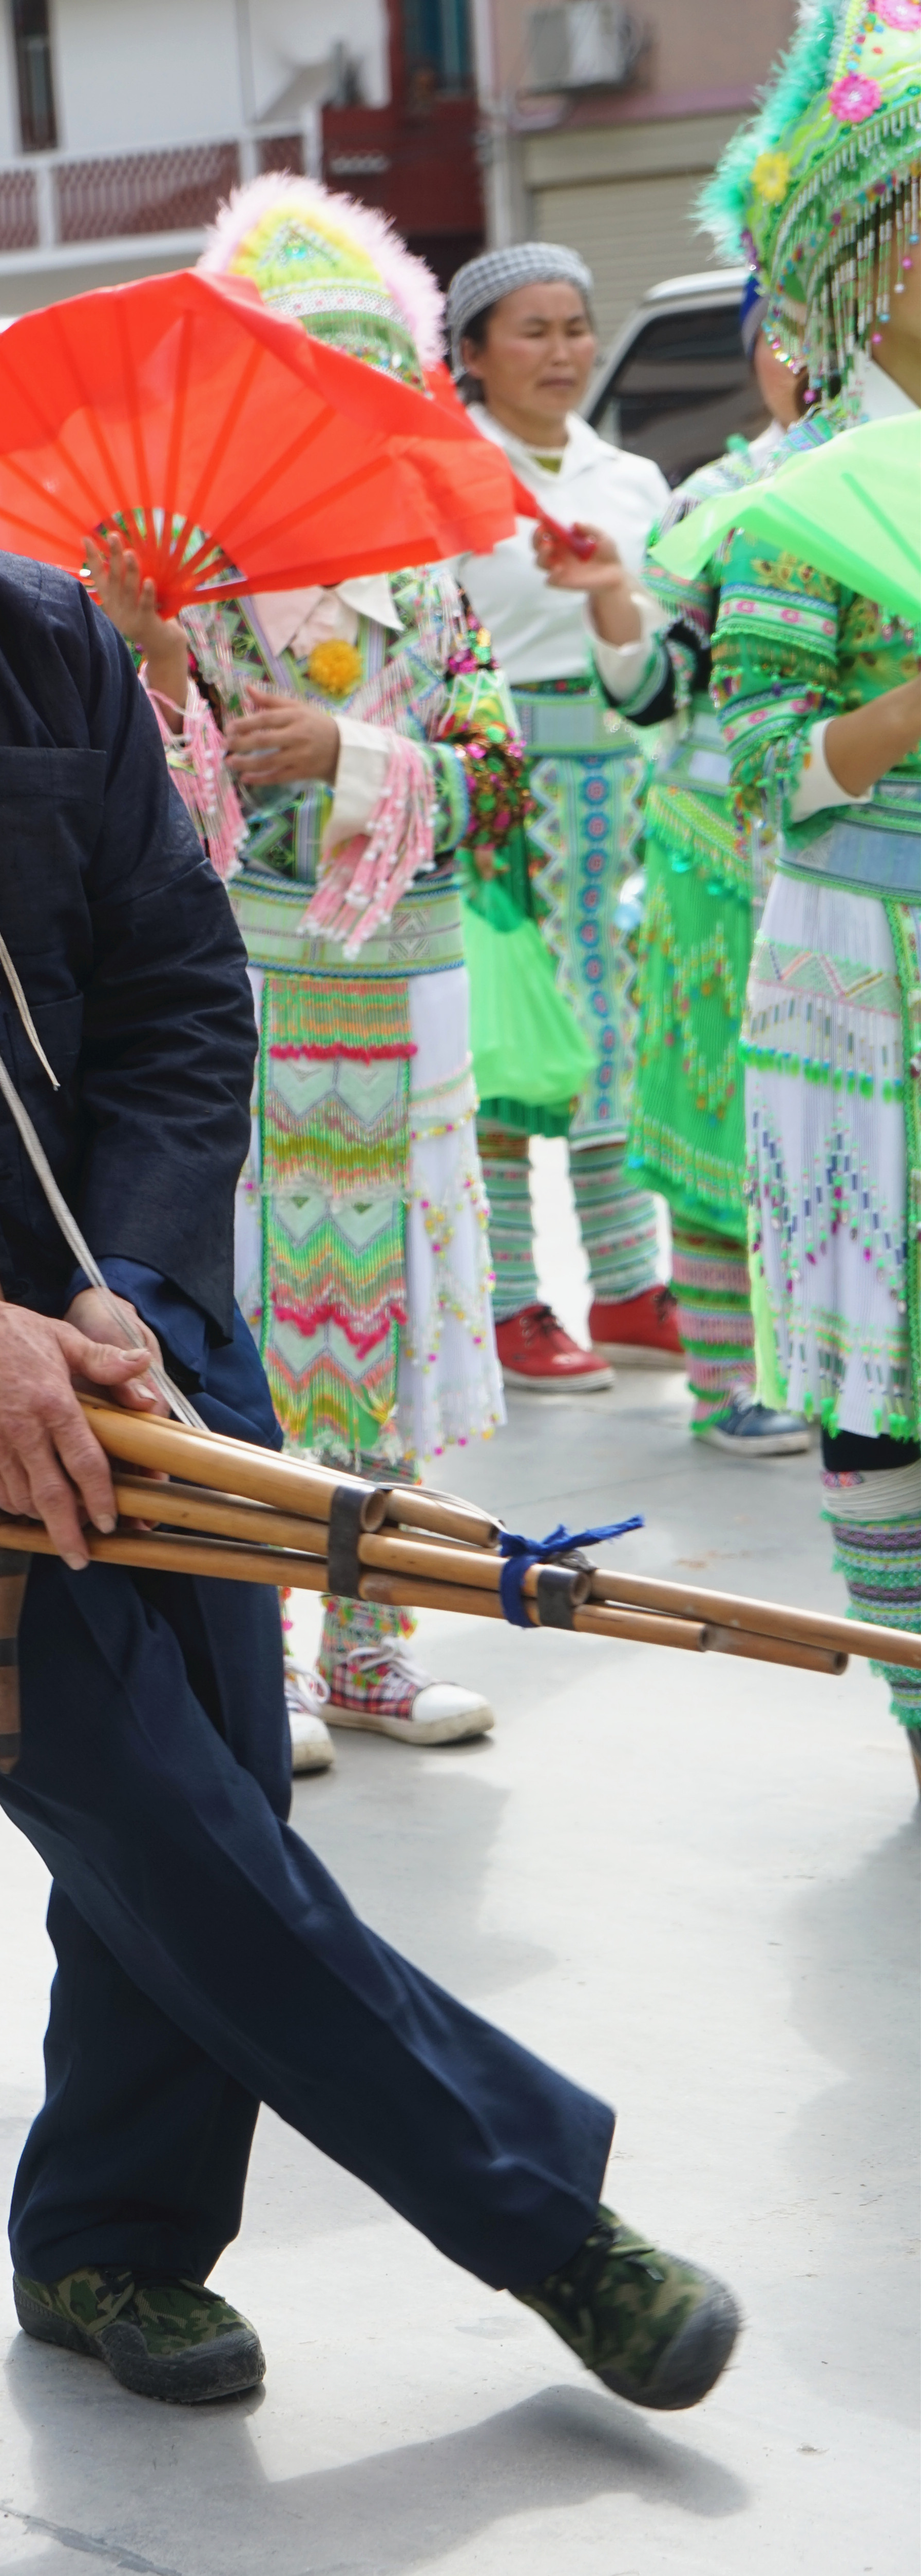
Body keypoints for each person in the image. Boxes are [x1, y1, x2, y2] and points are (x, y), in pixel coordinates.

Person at [0, 203, 739, 2413]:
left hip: (133, 1341)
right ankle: (550, 2222)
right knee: (153, 1806)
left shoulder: (48, 648)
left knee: (196, 1822)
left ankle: (101, 2244)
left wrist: (133, 1289)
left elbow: (179, 1002)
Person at [88, 177, 516, 1759]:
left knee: (392, 1313)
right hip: (249, 992)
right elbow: (139, 819)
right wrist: (151, 664)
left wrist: (352, 746)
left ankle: (375, 1638)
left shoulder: (436, 582)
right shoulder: (190, 580)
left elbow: (503, 780)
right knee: (255, 1309)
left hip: (408, 990)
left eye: (365, 381)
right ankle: (254, 1632)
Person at [704, 0, 921, 1781]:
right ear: (870, 265)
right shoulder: (787, 507)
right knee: (880, 1351)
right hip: (858, 950)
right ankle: (918, 1690)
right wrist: (907, 708)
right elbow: (753, 757)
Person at [533, 281, 813, 1456]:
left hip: (865, 857)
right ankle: (722, 1381)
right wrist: (607, 597)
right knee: (715, 1120)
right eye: (777, 335)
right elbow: (655, 688)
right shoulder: (721, 497)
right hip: (716, 854)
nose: (799, 358)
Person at [444, 246, 678, 1393]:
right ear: (472, 356)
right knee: (506, 1036)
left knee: (612, 1025)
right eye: (529, 332)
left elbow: (647, 673)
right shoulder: (445, 478)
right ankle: (507, 1301)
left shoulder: (632, 480)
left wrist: (609, 602)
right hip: (493, 787)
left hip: (613, 781)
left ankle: (630, 1285)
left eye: (576, 327)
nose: (561, 352)